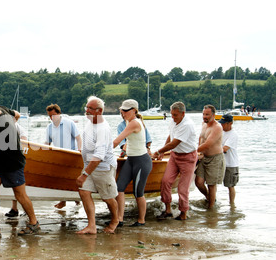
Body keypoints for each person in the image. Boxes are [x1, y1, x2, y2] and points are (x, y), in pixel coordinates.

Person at [0, 94, 39, 238]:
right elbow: (16, 114)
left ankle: (34, 223)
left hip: (12, 163)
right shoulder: (2, 110)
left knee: (20, 195)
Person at [76, 96, 118, 234]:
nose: (86, 111)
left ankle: (115, 220)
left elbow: (99, 155)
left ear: (99, 111)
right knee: (83, 191)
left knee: (107, 197)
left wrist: (84, 174)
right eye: (86, 107)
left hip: (103, 167)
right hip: (89, 165)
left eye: (90, 108)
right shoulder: (90, 122)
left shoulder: (102, 128)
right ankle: (91, 226)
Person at [152, 102, 198, 220]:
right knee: (166, 181)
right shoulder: (173, 121)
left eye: (175, 115)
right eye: (171, 114)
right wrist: (163, 150)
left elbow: (175, 142)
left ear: (183, 113)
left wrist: (157, 151)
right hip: (175, 155)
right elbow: (171, 136)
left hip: (188, 157)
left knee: (183, 188)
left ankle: (183, 214)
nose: (173, 117)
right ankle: (168, 210)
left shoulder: (187, 124)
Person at [113, 99, 152, 227]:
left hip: (142, 161)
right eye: (122, 110)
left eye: (126, 110)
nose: (123, 112)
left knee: (138, 192)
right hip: (130, 160)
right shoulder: (128, 121)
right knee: (119, 188)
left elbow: (117, 141)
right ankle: (120, 219)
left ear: (134, 111)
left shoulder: (134, 123)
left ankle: (141, 220)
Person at [44, 104, 82, 209]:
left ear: (59, 113)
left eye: (53, 115)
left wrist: (79, 150)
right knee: (62, 179)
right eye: (49, 116)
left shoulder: (69, 123)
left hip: (72, 154)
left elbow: (78, 138)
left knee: (72, 179)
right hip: (59, 156)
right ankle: (65, 201)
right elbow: (47, 143)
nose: (52, 118)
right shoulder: (49, 127)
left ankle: (76, 200)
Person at [195, 105, 225, 209]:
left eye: (207, 114)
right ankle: (208, 197)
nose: (204, 116)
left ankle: (211, 209)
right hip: (204, 157)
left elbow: (208, 143)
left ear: (213, 115)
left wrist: (193, 151)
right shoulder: (204, 124)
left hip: (215, 158)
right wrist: (199, 152)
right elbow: (201, 137)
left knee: (211, 185)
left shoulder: (217, 127)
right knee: (198, 182)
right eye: (203, 114)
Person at [219, 114, 239, 205]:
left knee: (230, 186)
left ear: (230, 123)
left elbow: (224, 149)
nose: (222, 125)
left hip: (231, 164)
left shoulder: (233, 134)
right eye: (221, 123)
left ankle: (232, 205)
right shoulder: (221, 132)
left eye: (224, 124)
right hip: (221, 163)